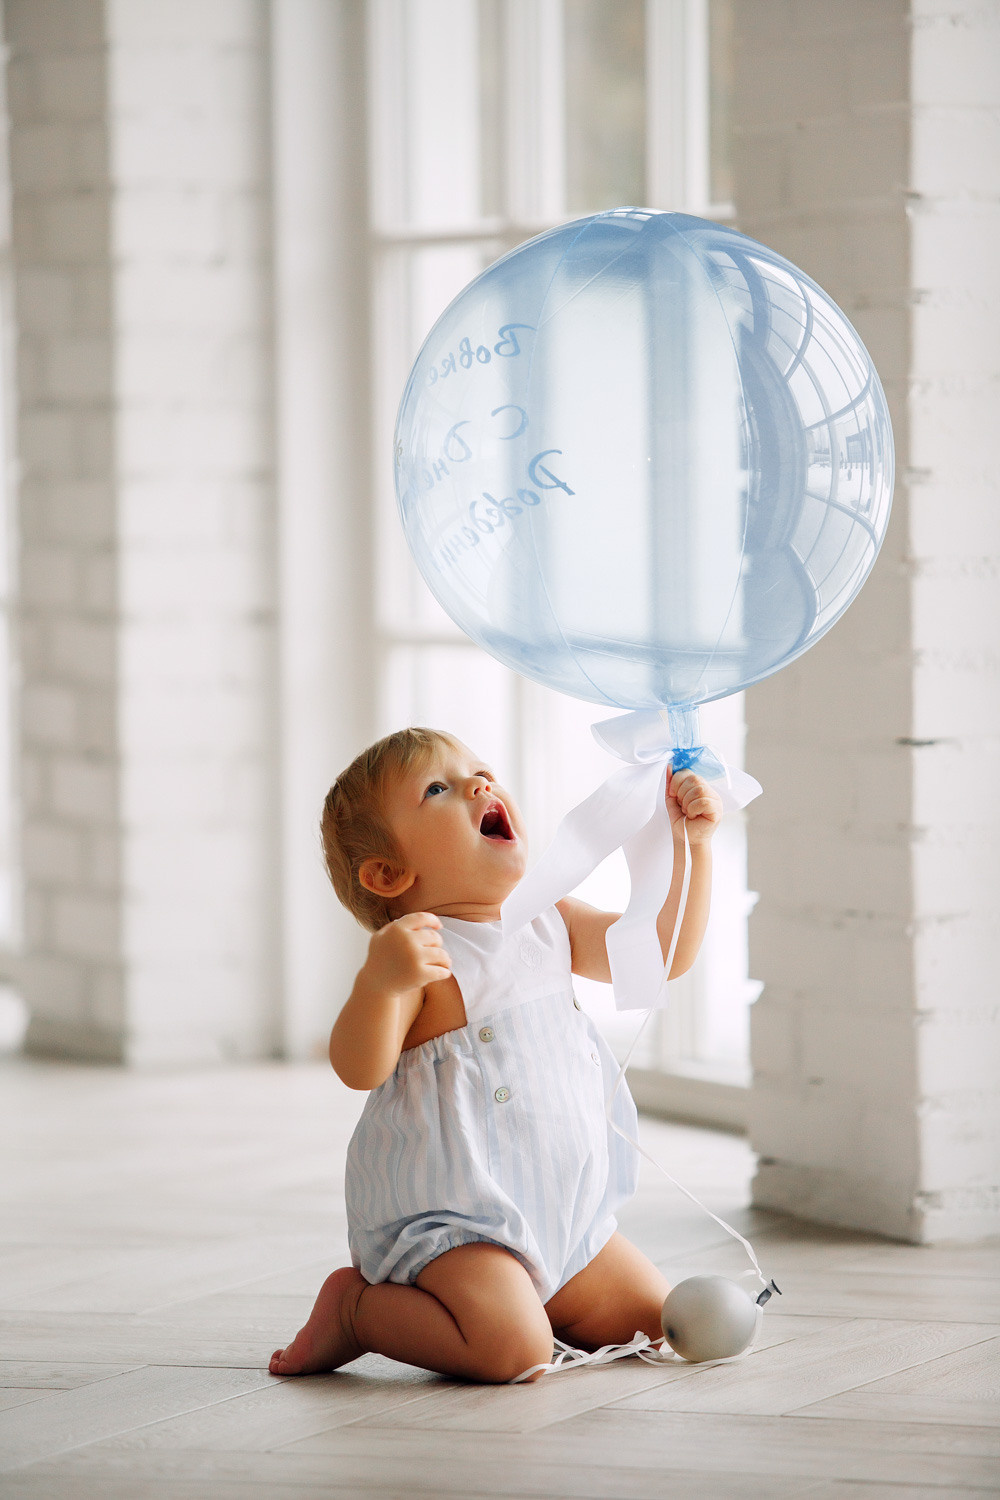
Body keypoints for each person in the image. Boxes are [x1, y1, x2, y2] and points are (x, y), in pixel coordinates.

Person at [270, 726, 723, 1384]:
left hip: (564, 1217)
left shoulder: (550, 918)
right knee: (513, 1354)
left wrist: (693, 848)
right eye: (438, 788)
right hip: (460, 1226)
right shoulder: (420, 952)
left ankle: (541, 1298)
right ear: (389, 874)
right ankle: (358, 1310)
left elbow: (661, 955)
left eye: (479, 771)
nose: (479, 785)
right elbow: (357, 1067)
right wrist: (380, 982)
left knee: (661, 1324)